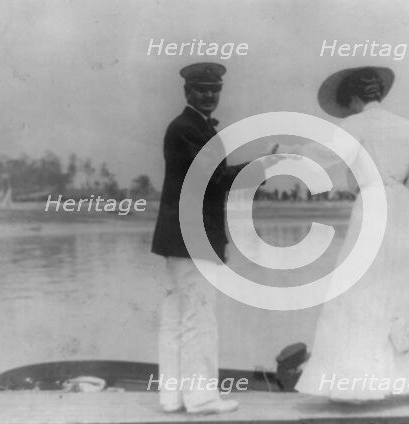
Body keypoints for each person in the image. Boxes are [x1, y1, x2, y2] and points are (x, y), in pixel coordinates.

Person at [279, 67, 409, 403]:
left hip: (372, 205)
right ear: (379, 93)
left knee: (361, 290)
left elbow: (323, 164)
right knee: (407, 288)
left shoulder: (352, 126)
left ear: (354, 98)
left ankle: (357, 387)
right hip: (405, 209)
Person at [151, 62, 278, 414]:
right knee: (199, 316)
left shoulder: (191, 128)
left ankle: (173, 396)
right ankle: (201, 397)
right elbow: (214, 179)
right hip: (193, 237)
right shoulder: (188, 128)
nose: (209, 95)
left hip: (179, 237)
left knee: (179, 315)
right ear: (187, 92)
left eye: (214, 89)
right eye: (202, 89)